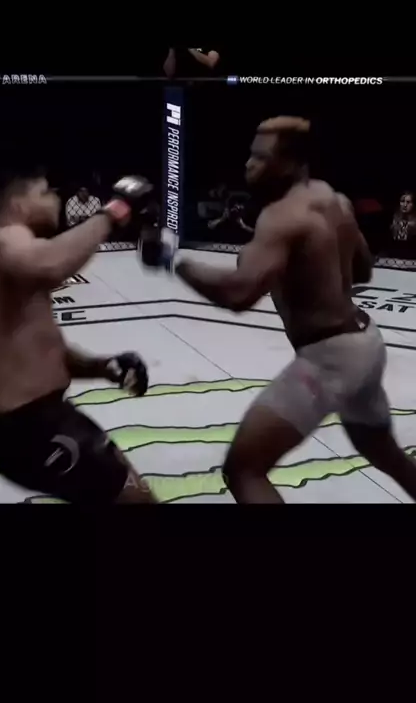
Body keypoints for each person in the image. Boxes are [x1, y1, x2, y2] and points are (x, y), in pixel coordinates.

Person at [140, 116, 416, 503]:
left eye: (261, 157)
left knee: (244, 469)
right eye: (251, 155)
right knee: (384, 452)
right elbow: (363, 269)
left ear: (291, 163)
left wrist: (173, 261)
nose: (249, 164)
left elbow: (239, 294)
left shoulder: (279, 218)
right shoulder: (335, 199)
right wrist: (308, 269)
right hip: (366, 342)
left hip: (329, 359)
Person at [0, 172, 157, 504]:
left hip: (45, 419)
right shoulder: (1, 240)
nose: (56, 198)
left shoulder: (17, 270)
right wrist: (114, 211)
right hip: (30, 427)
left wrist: (105, 367)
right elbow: (50, 265)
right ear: (19, 204)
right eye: (45, 192)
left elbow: (46, 351)